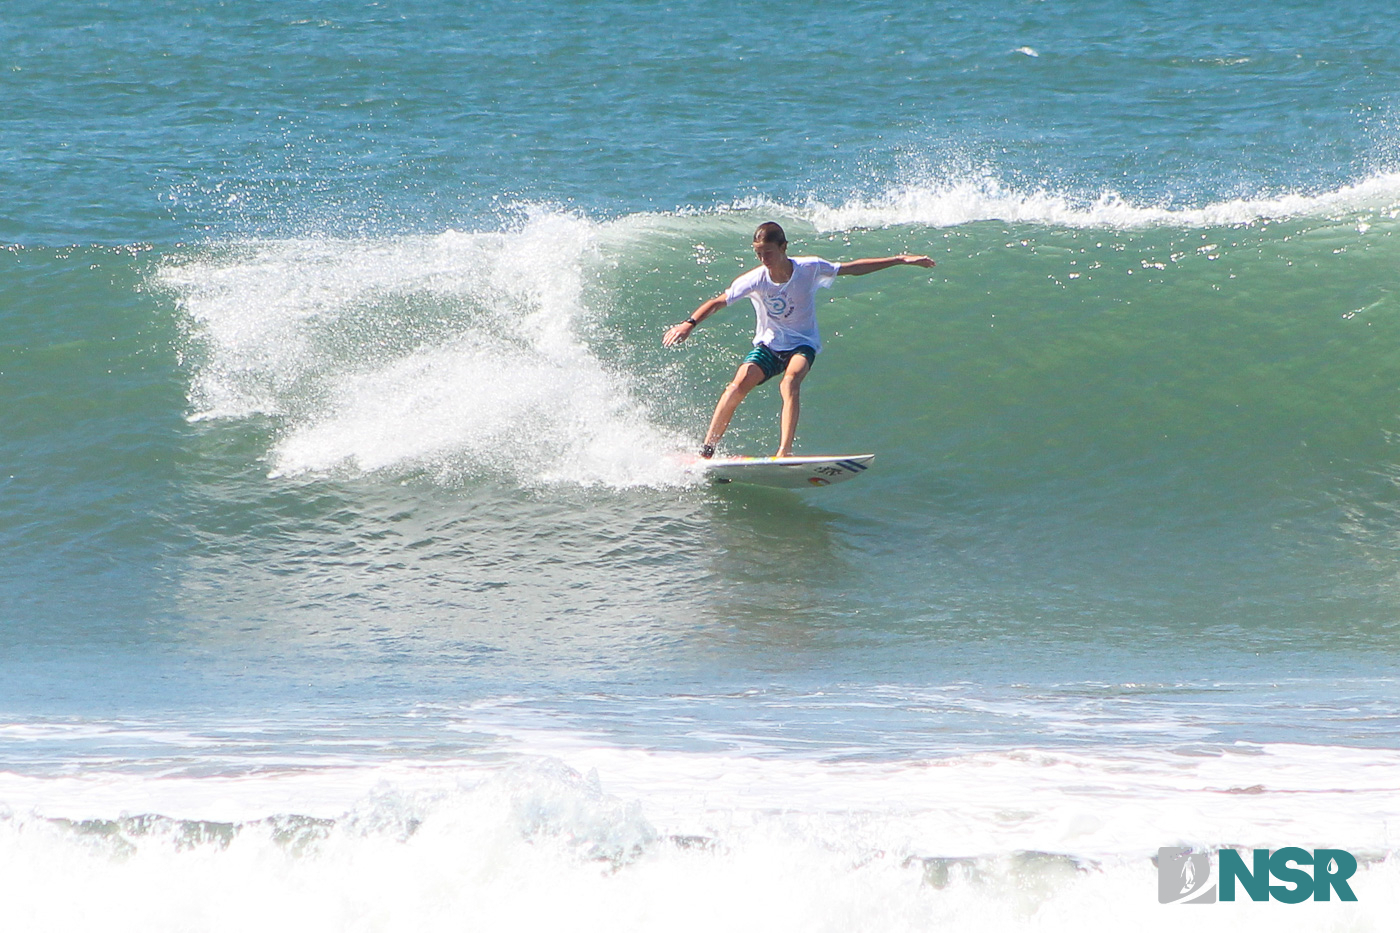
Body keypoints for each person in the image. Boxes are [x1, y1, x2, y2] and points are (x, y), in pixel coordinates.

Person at [663, 221, 935, 458]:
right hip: (770, 345)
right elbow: (718, 301)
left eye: (768, 253)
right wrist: (689, 324)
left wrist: (899, 260)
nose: (763, 260)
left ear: (783, 247)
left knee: (790, 381)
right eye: (758, 254)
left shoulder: (810, 268)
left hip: (803, 344)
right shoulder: (755, 279)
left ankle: (784, 451)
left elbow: (851, 268)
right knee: (737, 385)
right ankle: (707, 450)